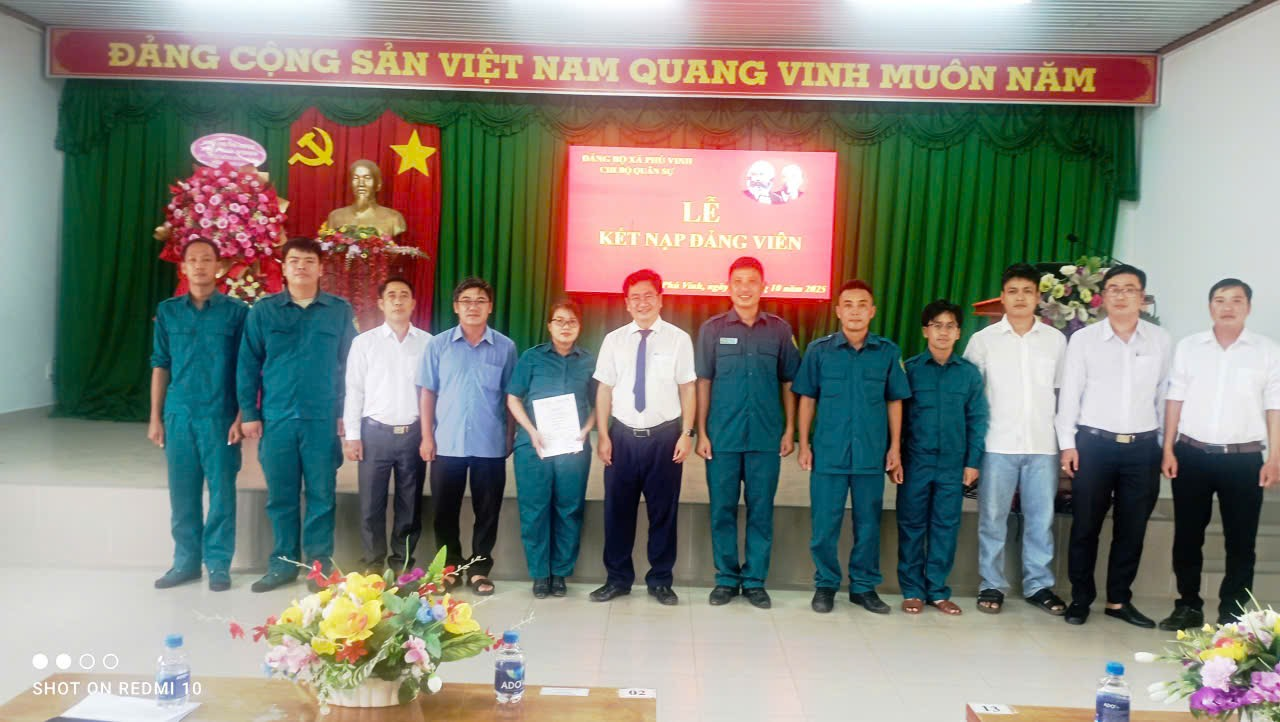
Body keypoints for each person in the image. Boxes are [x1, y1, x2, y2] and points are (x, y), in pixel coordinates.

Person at [1158, 279, 1280, 630]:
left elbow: (1274, 406)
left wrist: (1274, 458)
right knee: (1187, 536)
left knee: (1241, 541)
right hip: (1192, 453)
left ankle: (1233, 612)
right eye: (1220, 300)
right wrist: (1168, 448)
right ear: (1210, 306)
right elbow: (1175, 399)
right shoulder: (1189, 347)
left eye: (1236, 300)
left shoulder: (1267, 351)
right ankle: (1188, 605)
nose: (1227, 307)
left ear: (1248, 307)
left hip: (1244, 459)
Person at [1056, 263, 1172, 627]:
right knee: (1085, 525)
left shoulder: (1160, 340)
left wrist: (1164, 446)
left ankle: (1119, 601)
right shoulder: (1084, 340)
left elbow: (1165, 396)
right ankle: (1081, 598)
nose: (1122, 296)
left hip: (1143, 447)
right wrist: (1067, 444)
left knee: (1132, 528)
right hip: (1094, 445)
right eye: (1114, 289)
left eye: (1130, 289)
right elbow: (1070, 394)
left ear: (1143, 298)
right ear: (1103, 297)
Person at [238, 237, 355, 593]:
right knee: (281, 497)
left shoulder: (338, 311)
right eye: (294, 261)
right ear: (284, 268)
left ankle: (319, 568)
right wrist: (249, 412)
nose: (301, 266)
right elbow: (247, 364)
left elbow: (352, 366)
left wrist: (345, 412)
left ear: (321, 268)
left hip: (322, 419)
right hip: (278, 419)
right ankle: (283, 565)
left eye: (309, 261)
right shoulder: (263, 311)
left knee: (322, 495)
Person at [794, 280, 911, 615]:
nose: (855, 311)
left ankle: (863, 587)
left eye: (862, 305)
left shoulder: (887, 352)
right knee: (824, 526)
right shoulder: (819, 351)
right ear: (838, 311)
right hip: (828, 453)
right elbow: (807, 398)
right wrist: (804, 444)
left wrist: (895, 448)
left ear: (872, 311)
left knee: (869, 525)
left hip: (870, 454)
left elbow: (894, 401)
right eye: (848, 305)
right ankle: (826, 585)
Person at [695, 256, 800, 609]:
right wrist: (702, 432)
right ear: (728, 287)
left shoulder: (779, 330)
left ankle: (755, 581)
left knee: (761, 511)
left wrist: (789, 429)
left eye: (751, 281)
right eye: (737, 282)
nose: (744, 288)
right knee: (722, 510)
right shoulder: (711, 329)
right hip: (722, 438)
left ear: (762, 287)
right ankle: (726, 579)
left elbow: (789, 382)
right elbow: (704, 381)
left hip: (765, 439)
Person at [963, 263, 1068, 616]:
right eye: (1013, 291)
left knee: (1041, 519)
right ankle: (991, 585)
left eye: (1027, 291)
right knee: (992, 519)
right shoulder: (983, 341)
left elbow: (1062, 393)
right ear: (1002, 297)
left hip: (1042, 445)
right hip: (997, 444)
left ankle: (1038, 585)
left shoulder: (1055, 341)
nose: (1020, 298)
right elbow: (971, 397)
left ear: (1038, 297)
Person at [589, 269, 697, 606]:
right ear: (626, 303)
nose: (642, 303)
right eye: (635, 297)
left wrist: (686, 433)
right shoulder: (614, 340)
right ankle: (617, 579)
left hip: (664, 437)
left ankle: (661, 581)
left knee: (663, 513)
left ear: (660, 299)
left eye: (648, 296)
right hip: (621, 436)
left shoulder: (678, 339)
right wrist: (603, 435)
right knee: (617, 512)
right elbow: (604, 390)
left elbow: (688, 388)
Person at [148, 238, 248, 592]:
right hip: (179, 416)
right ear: (184, 267)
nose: (201, 265)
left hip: (220, 415)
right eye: (193, 260)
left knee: (222, 493)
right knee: (183, 492)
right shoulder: (169, 311)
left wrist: (241, 415)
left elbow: (246, 368)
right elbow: (160, 364)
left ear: (219, 267)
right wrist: (155, 417)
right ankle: (185, 563)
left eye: (207, 259)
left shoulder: (237, 313)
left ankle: (218, 564)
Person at [417, 277, 517, 596]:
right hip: (447, 442)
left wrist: (509, 436)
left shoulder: (506, 347)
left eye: (480, 301)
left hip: (490, 443)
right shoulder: (438, 345)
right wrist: (426, 437)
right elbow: (427, 392)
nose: (473, 307)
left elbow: (511, 396)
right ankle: (449, 569)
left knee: (487, 512)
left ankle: (479, 570)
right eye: (466, 301)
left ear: (490, 307)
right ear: (456, 307)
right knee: (444, 511)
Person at [897, 299, 988, 616]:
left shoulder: (969, 375)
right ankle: (912, 590)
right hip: (915, 463)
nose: (944, 332)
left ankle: (937, 590)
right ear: (926, 331)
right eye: (937, 325)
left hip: (953, 465)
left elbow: (977, 419)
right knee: (911, 526)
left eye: (950, 326)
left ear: (959, 332)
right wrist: (895, 458)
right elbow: (898, 419)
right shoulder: (910, 370)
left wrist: (973, 461)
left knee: (945, 527)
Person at [506, 299, 597, 599]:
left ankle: (560, 573)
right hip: (534, 447)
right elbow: (513, 398)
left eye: (572, 321)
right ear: (549, 325)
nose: (565, 326)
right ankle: (539, 574)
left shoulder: (589, 361)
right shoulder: (532, 358)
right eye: (559, 320)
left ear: (579, 326)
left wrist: (586, 430)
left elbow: (600, 404)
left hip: (573, 448)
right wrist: (531, 430)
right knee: (535, 509)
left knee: (569, 508)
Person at [342, 277, 431, 574]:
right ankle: (373, 564)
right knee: (371, 505)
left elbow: (433, 392)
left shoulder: (428, 343)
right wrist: (352, 436)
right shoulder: (364, 343)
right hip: (374, 434)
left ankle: (402, 565)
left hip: (413, 435)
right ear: (381, 303)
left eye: (404, 295)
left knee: (410, 505)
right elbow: (354, 390)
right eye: (391, 295)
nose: (398, 300)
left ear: (413, 303)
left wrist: (429, 435)